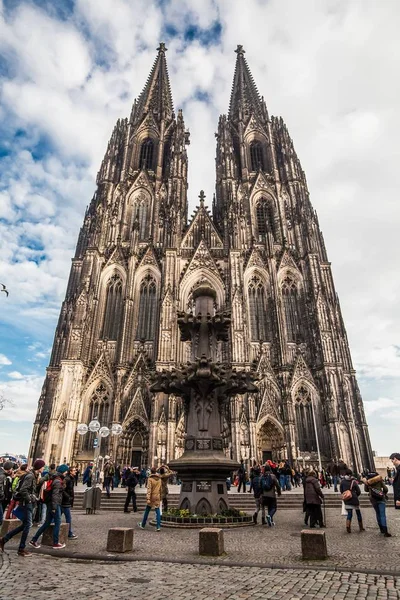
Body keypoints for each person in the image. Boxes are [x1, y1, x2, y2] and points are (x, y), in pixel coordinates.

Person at [0, 459, 45, 557]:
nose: (43, 468)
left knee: (25, 525)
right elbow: (23, 489)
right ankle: (21, 549)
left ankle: (4, 539)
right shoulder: (30, 476)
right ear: (39, 467)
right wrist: (29, 499)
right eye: (43, 466)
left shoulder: (34, 475)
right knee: (28, 524)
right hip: (26, 503)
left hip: (27, 503)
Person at [29, 465, 65, 549]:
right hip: (54, 505)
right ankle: (55, 543)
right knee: (57, 523)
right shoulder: (58, 481)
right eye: (65, 471)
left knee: (46, 523)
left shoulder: (54, 479)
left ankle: (34, 540)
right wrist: (54, 507)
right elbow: (55, 495)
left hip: (50, 504)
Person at [362, 470, 391, 537]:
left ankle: (381, 529)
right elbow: (385, 489)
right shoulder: (379, 480)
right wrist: (383, 493)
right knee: (382, 514)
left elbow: (366, 490)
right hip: (381, 498)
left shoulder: (368, 482)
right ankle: (385, 531)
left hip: (373, 499)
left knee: (377, 513)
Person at [340, 469, 364, 533]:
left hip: (347, 500)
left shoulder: (342, 482)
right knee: (358, 513)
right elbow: (358, 491)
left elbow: (341, 491)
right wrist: (355, 495)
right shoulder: (354, 482)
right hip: (354, 499)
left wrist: (346, 495)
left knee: (349, 514)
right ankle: (361, 527)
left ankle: (348, 526)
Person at [138, 467, 161, 531]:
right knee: (157, 511)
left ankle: (143, 524)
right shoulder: (159, 479)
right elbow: (160, 489)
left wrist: (148, 498)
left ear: (151, 472)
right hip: (157, 496)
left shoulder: (150, 479)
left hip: (152, 496)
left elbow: (149, 489)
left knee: (147, 510)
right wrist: (160, 496)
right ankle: (158, 526)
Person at [60, 465, 77, 540]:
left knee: (55, 518)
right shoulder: (67, 479)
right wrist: (68, 497)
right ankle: (69, 533)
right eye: (74, 470)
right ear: (70, 472)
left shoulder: (71, 479)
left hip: (65, 501)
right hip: (64, 502)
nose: (75, 471)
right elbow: (62, 489)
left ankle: (47, 530)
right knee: (68, 518)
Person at [0, 461, 14, 525]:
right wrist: (3, 497)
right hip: (1, 500)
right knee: (0, 519)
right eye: (11, 468)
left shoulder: (6, 476)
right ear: (9, 469)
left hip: (4, 500)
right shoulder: (2, 476)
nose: (12, 470)